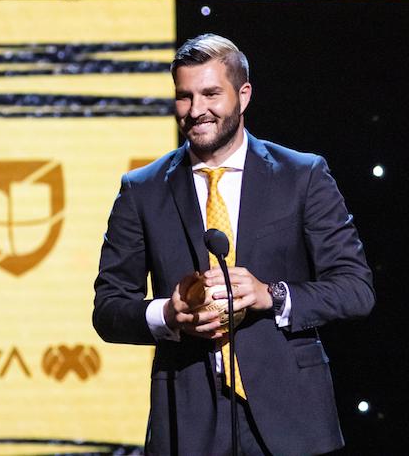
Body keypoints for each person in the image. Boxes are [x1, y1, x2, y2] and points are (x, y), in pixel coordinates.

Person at [93, 33, 375, 455]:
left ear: (243, 95)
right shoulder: (142, 189)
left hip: (291, 416)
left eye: (210, 94)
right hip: (188, 418)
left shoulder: (302, 175)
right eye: (184, 96)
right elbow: (109, 309)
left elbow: (355, 289)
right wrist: (169, 314)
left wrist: (270, 295)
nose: (196, 110)